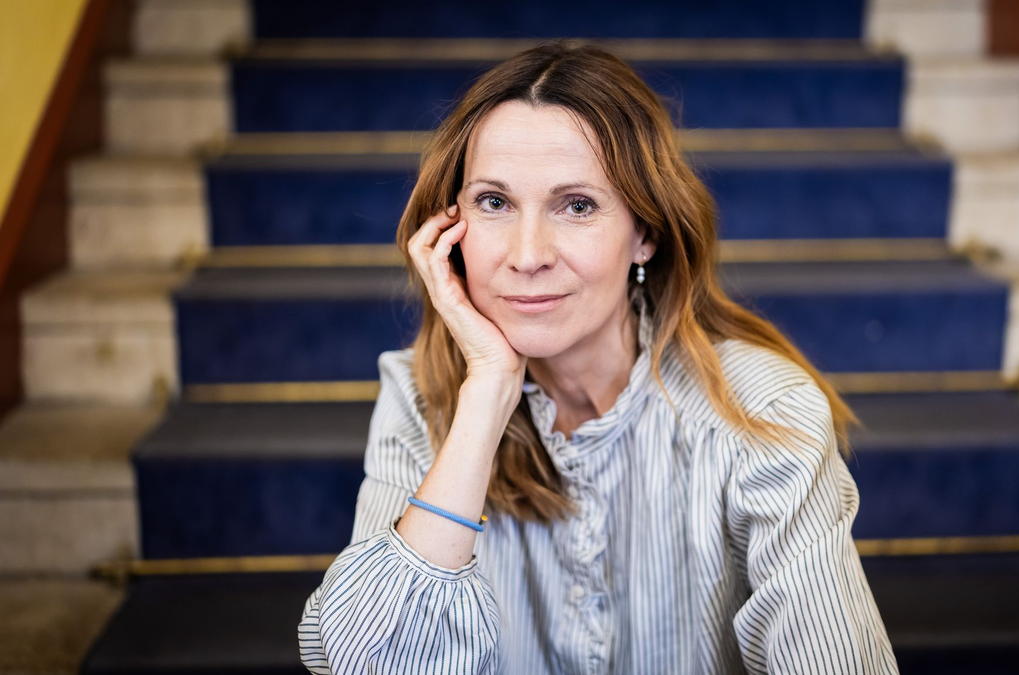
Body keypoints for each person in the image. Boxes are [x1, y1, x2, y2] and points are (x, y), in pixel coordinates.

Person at [298, 40, 899, 674]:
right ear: (449, 230)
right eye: (495, 202)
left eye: (577, 205)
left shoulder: (763, 409)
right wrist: (488, 393)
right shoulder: (421, 397)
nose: (527, 256)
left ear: (646, 234)